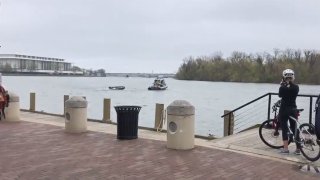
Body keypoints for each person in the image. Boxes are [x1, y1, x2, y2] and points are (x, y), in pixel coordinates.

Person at [278, 69, 300, 155]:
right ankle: (298, 149)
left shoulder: (282, 87)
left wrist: (282, 85)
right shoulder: (296, 87)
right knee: (294, 128)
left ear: (284, 78)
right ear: (293, 77)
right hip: (293, 109)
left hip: (284, 110)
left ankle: (286, 148)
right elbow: (292, 91)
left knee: (284, 128)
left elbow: (280, 95)